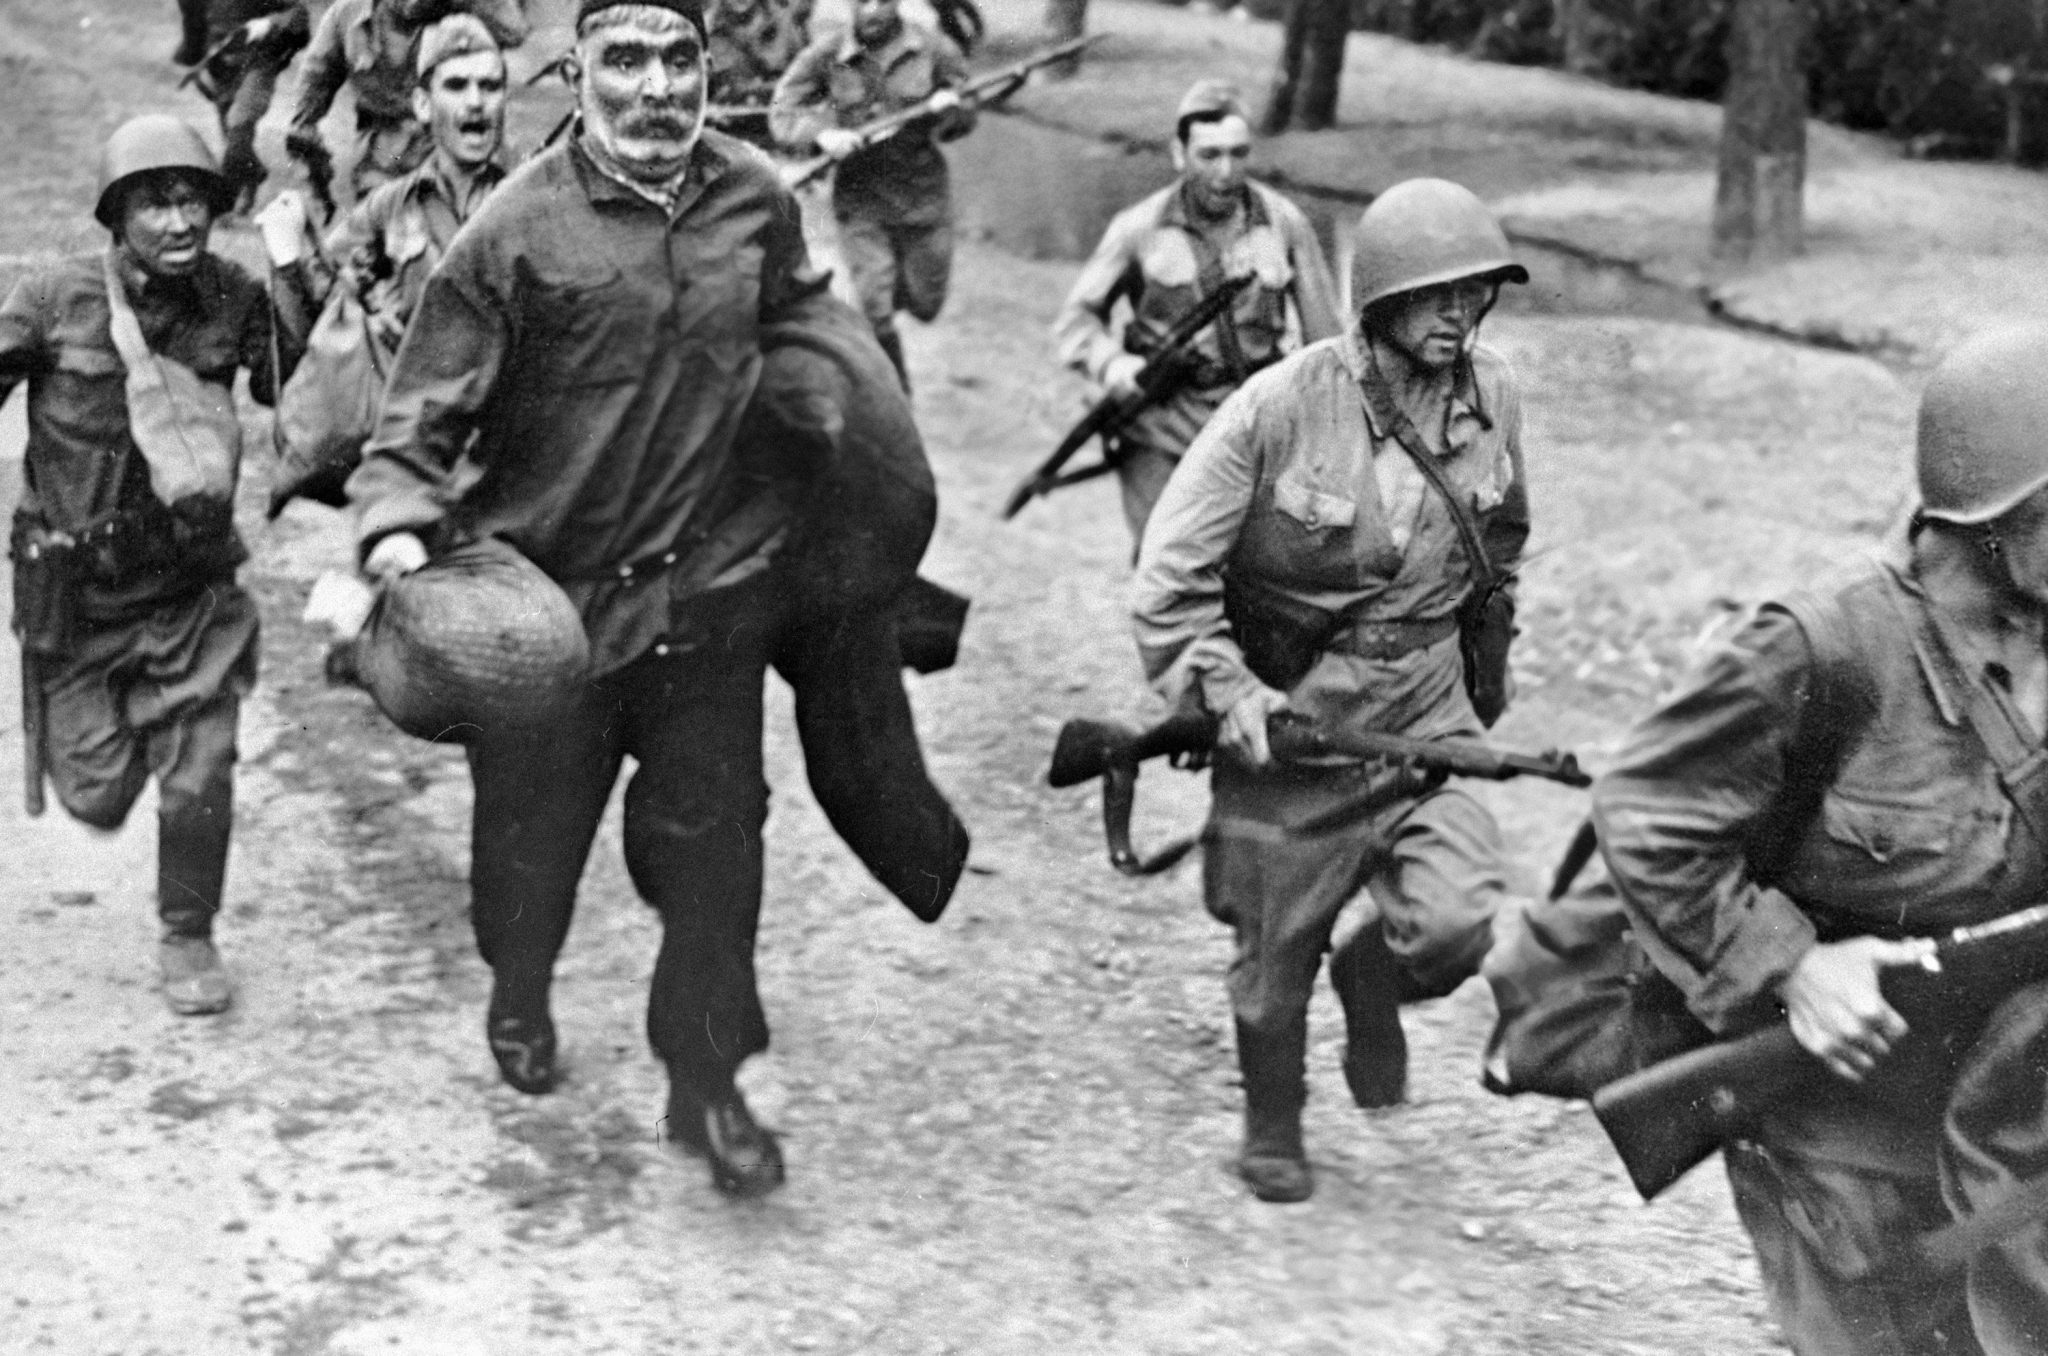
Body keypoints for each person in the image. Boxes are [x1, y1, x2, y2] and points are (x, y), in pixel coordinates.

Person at [347, 0, 841, 1200]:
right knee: (527, 860)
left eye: (679, 59)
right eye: (625, 60)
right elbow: (416, 421)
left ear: (708, 69)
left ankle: (706, 1087)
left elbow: (796, 321)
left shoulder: (754, 197)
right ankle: (520, 986)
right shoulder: (512, 232)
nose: (656, 88)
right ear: (574, 74)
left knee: (718, 855)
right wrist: (395, 533)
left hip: (701, 606)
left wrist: (827, 428)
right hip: (545, 623)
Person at [1593, 324, 2048, 1355]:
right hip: (1834, 1118)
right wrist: (1792, 966)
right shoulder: (1825, 648)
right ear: (1997, 517)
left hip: (2001, 1108)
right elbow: (1645, 814)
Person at [1131, 177, 1533, 1204]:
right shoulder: (1278, 406)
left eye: (1475, 292)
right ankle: (1273, 1118)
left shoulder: (1494, 397)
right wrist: (1230, 695)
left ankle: (1370, 977)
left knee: (1456, 922)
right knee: (1273, 952)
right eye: (1436, 293)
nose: (1459, 313)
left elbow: (1502, 542)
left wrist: (1483, 670)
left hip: (1426, 713)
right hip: (1299, 719)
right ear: (1379, 298)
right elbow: (1167, 584)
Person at [2, 116, 296, 1017]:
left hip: (190, 590)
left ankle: (188, 932)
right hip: (79, 600)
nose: (179, 221)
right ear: (115, 216)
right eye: (155, 203)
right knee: (94, 795)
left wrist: (295, 271)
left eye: (193, 200)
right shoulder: (53, 299)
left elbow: (297, 391)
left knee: (201, 773)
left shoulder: (234, 296)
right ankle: (126, 725)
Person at [1055, 79, 1341, 548]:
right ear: (1179, 154)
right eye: (1209, 155)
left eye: (1238, 153)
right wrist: (1112, 364)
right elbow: (1077, 321)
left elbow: (1326, 341)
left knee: (1252, 571)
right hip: (1162, 427)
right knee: (1164, 564)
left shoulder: (1284, 223)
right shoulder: (1139, 227)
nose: (1226, 172)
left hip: (1253, 429)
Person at [264, 14, 510, 364]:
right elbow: (329, 293)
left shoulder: (530, 200)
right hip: (417, 384)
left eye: (490, 86)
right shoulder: (388, 206)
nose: (475, 101)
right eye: (457, 86)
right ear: (423, 104)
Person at [768, 0, 972, 388]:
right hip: (861, 197)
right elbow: (782, 108)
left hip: (922, 197)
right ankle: (895, 391)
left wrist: (950, 110)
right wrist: (822, 135)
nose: (872, 10)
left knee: (926, 303)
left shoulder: (934, 48)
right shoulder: (828, 53)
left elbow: (968, 109)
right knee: (873, 307)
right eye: (862, 1)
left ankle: (887, 288)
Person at [287, 0, 527, 198]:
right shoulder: (348, 15)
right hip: (385, 146)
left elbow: (515, 32)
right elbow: (315, 74)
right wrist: (303, 124)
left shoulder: (459, 12)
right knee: (381, 207)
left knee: (480, 213)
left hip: (456, 138)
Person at [185, 0, 312, 209]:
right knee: (233, 136)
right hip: (222, 62)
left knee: (239, 127)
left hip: (259, 62)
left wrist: (270, 23)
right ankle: (251, 176)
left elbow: (298, 14)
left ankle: (226, 201)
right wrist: (199, 60)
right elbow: (196, 20)